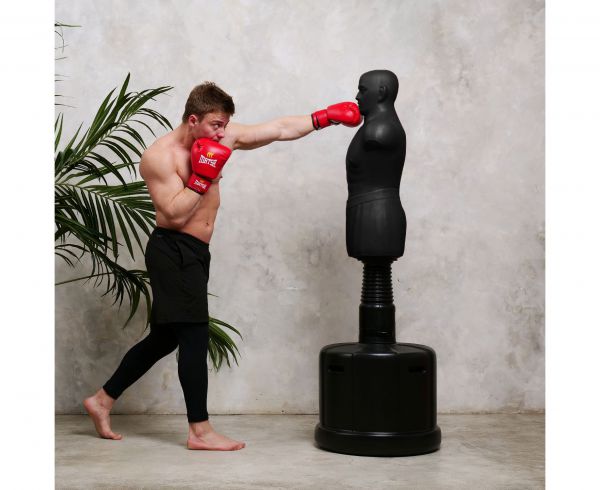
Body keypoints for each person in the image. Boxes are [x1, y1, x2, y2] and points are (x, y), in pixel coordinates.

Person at [83, 82, 361, 451]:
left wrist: (323, 118)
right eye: (216, 125)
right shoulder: (159, 157)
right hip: (173, 251)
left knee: (165, 337)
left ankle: (102, 400)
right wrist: (202, 177)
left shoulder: (219, 135)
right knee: (194, 335)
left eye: (225, 125)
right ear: (193, 120)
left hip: (197, 252)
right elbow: (173, 215)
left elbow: (277, 129)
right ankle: (200, 431)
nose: (222, 133)